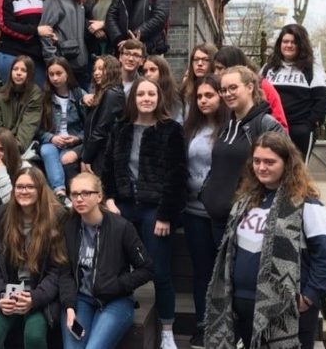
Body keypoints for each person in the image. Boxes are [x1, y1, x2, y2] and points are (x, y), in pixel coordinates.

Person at [205, 131, 326, 349]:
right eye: (257, 161)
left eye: (270, 162)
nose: (261, 167)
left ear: (287, 163)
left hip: (288, 311)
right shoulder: (246, 201)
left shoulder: (307, 205)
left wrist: (309, 297)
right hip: (244, 306)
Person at [101, 77, 187, 349]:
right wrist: (109, 199)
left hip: (156, 209)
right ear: (133, 99)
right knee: (117, 266)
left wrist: (165, 215)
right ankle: (119, 314)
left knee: (159, 270)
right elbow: (108, 167)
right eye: (141, 94)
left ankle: (167, 330)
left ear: (159, 98)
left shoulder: (171, 130)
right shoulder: (120, 128)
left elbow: (177, 176)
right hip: (123, 205)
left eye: (151, 94)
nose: (146, 98)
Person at [59, 173, 154, 349]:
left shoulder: (121, 227)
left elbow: (146, 269)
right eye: (75, 194)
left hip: (116, 300)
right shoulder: (69, 226)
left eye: (86, 193)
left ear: (99, 196)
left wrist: (117, 285)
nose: (79, 199)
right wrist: (69, 306)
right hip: (81, 299)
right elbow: (65, 272)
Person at [0, 167, 68, 349]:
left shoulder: (57, 218)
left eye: (30, 187)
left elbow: (57, 269)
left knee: (34, 336)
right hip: (8, 293)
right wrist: (0, 296)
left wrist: (35, 298)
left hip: (39, 295)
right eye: (19, 187)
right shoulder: (1, 217)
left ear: (40, 190)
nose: (24, 191)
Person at [201, 66, 284, 243]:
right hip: (217, 220)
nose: (227, 94)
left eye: (233, 88)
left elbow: (285, 169)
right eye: (223, 90)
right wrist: (206, 193)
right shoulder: (226, 126)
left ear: (250, 87)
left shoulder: (267, 125)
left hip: (246, 222)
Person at [180, 75, 229, 349]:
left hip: (222, 214)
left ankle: (225, 326)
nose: (203, 101)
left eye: (209, 95)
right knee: (202, 272)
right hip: (193, 211)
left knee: (225, 274)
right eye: (199, 96)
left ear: (221, 96)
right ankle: (203, 325)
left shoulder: (231, 129)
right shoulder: (190, 128)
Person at [261, 24, 326, 161]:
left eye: (294, 42)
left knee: (297, 171)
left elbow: (323, 102)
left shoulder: (313, 70)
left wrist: (308, 125)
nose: (289, 45)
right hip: (271, 129)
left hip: (299, 131)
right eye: (285, 41)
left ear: (301, 45)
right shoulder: (268, 69)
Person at [38, 57, 86, 206]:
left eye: (59, 73)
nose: (55, 78)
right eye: (51, 74)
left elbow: (90, 127)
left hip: (73, 143)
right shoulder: (44, 97)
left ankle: (74, 197)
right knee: (47, 151)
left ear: (67, 74)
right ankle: (60, 192)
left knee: (65, 160)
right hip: (53, 142)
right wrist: (51, 138)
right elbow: (37, 128)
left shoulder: (79, 95)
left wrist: (77, 139)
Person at [0, 0, 46, 86]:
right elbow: (5, 25)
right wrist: (35, 31)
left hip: (35, 56)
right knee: (14, 94)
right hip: (11, 54)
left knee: (39, 92)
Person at [39, 0, 90, 86]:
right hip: (64, 66)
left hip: (81, 63)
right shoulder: (52, 1)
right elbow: (45, 35)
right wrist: (53, 62)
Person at [214, 46, 288, 132]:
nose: (215, 73)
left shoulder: (263, 86)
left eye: (220, 68)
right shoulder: (215, 88)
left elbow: (280, 126)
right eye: (214, 68)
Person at [0, 55, 43, 153]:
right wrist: (0, 147)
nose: (18, 73)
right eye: (15, 69)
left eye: (23, 70)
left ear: (30, 74)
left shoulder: (35, 95)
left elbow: (28, 127)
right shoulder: (0, 94)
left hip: (21, 146)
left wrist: (12, 149)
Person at [80, 55, 124, 174]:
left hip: (103, 154)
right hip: (96, 152)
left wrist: (86, 158)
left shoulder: (112, 94)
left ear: (111, 70)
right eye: (95, 69)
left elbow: (101, 129)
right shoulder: (102, 93)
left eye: (101, 69)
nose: (96, 73)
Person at [180, 43, 218, 116]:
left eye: (205, 60)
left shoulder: (220, 86)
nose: (200, 63)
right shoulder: (185, 88)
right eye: (196, 59)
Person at [143, 55, 183, 122]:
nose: (148, 74)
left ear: (162, 71)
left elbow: (177, 121)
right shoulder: (142, 93)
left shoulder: (173, 96)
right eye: (145, 71)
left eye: (152, 70)